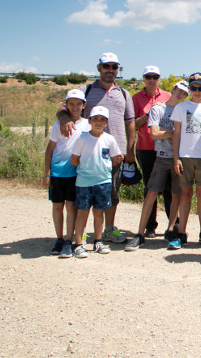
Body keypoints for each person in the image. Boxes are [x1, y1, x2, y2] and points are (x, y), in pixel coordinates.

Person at [57, 52, 135, 244]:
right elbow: (64, 107)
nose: (110, 70)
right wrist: (65, 118)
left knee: (111, 192)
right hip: (86, 150)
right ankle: (80, 232)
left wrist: (130, 151)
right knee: (83, 192)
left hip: (115, 152)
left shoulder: (124, 94)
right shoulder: (87, 89)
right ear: (98, 68)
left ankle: (108, 229)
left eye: (114, 67)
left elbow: (130, 122)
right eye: (106, 66)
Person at [125, 81, 189, 251]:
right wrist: (174, 133)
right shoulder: (158, 109)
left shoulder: (182, 111)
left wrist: (167, 133)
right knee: (151, 192)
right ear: (173, 90)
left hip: (178, 158)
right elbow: (154, 134)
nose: (180, 95)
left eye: (184, 93)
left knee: (175, 194)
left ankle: (169, 229)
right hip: (161, 158)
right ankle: (139, 233)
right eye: (179, 91)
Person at [170, 72, 201, 249]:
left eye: (200, 88)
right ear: (189, 89)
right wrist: (176, 158)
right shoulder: (181, 108)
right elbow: (176, 134)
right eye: (194, 88)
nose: (197, 91)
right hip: (185, 156)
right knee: (185, 195)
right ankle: (181, 233)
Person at [70, 106, 123, 258]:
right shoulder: (82, 139)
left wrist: (112, 163)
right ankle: (79, 244)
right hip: (84, 182)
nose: (98, 122)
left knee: (99, 212)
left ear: (106, 122)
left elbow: (114, 159)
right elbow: (74, 160)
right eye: (95, 119)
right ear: (89, 121)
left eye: (102, 120)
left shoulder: (109, 139)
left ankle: (98, 241)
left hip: (103, 181)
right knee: (82, 212)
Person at [44, 89, 89, 258]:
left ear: (84, 105)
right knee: (57, 205)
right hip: (57, 172)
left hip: (75, 172)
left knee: (71, 205)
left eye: (78, 104)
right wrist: (46, 173)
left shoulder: (87, 125)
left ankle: (69, 239)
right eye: (71, 104)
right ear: (66, 105)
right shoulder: (58, 125)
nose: (75, 107)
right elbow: (49, 150)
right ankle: (59, 238)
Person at [132, 65, 172, 237]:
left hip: (165, 149)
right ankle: (150, 226)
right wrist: (149, 114)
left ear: (159, 79)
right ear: (143, 78)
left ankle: (173, 224)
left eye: (154, 77)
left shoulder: (168, 96)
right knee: (150, 187)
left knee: (170, 186)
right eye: (148, 76)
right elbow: (132, 125)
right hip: (146, 148)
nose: (151, 80)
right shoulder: (136, 99)